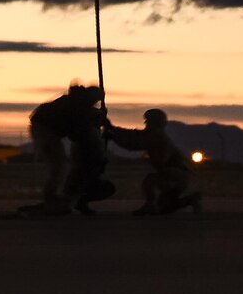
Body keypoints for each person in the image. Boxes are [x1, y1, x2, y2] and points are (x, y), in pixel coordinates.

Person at [19, 82, 114, 216]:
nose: (96, 103)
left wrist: (97, 118)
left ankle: (54, 199)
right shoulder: (78, 106)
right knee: (59, 166)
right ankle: (51, 200)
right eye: (96, 100)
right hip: (45, 130)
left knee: (60, 165)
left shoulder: (77, 103)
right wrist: (98, 119)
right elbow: (78, 129)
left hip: (46, 129)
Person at [104, 108, 202, 216]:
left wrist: (113, 136)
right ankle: (190, 200)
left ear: (154, 122)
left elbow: (133, 144)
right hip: (178, 175)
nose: (146, 123)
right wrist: (112, 128)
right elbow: (134, 135)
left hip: (175, 174)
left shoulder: (156, 137)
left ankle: (150, 205)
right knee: (165, 208)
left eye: (148, 120)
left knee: (150, 181)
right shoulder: (154, 135)